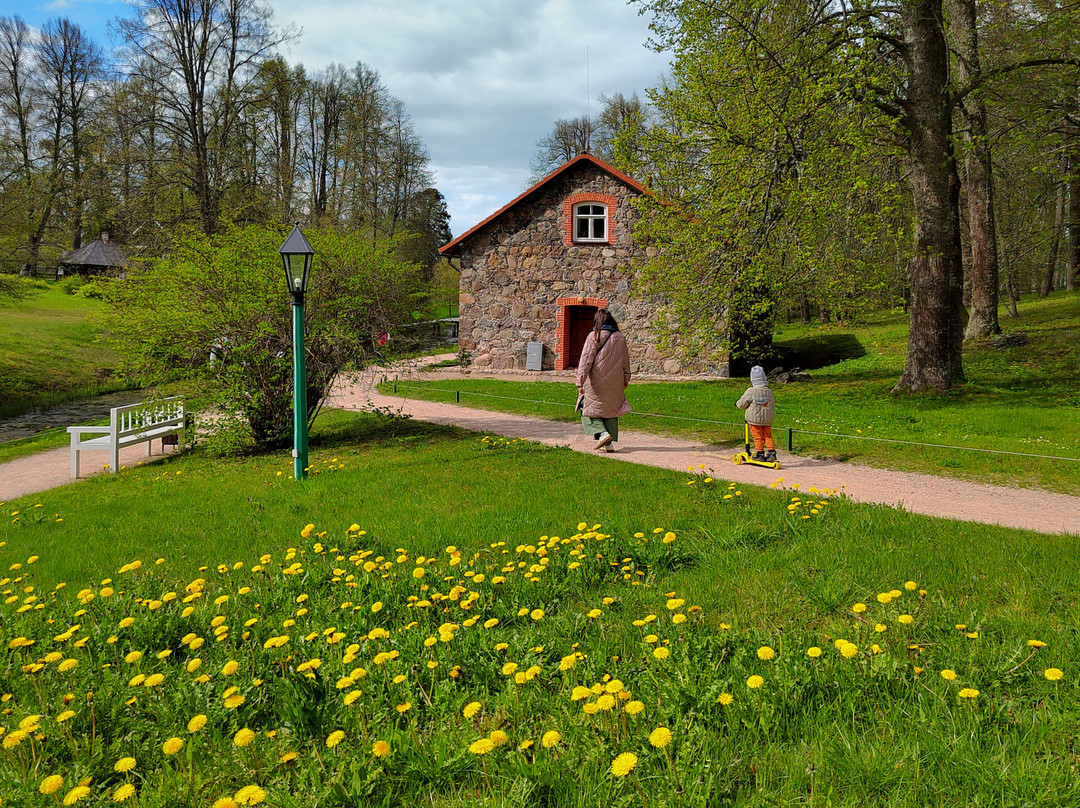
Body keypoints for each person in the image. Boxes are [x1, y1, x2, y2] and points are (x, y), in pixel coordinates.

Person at [576, 308, 632, 452]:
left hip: (595, 381)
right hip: (616, 381)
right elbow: (625, 360)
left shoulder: (594, 336)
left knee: (587, 409)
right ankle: (608, 444)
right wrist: (626, 379)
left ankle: (602, 434)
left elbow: (586, 360)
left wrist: (580, 381)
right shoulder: (620, 337)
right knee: (610, 410)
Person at [735, 365, 776, 462]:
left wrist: (736, 404)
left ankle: (760, 453)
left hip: (755, 419)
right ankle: (771, 452)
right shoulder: (769, 391)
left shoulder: (751, 391)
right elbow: (773, 404)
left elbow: (742, 404)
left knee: (757, 436)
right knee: (768, 435)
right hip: (767, 419)